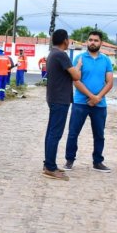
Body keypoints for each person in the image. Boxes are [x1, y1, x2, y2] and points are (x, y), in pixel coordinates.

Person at [64, 30, 114, 173]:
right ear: (87, 42)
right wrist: (92, 97)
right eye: (90, 40)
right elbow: (76, 80)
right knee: (73, 132)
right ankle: (69, 160)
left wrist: (98, 98)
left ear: (101, 43)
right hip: (80, 103)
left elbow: (109, 82)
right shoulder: (79, 58)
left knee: (99, 135)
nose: (92, 42)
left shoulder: (106, 60)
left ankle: (98, 162)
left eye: (96, 40)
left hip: (100, 105)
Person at [43, 29, 79, 180]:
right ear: (65, 40)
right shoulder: (61, 54)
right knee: (55, 133)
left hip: (54, 98)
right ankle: (50, 167)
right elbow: (76, 76)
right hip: (60, 99)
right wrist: (79, 66)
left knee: (51, 132)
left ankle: (48, 164)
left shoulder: (52, 53)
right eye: (68, 38)